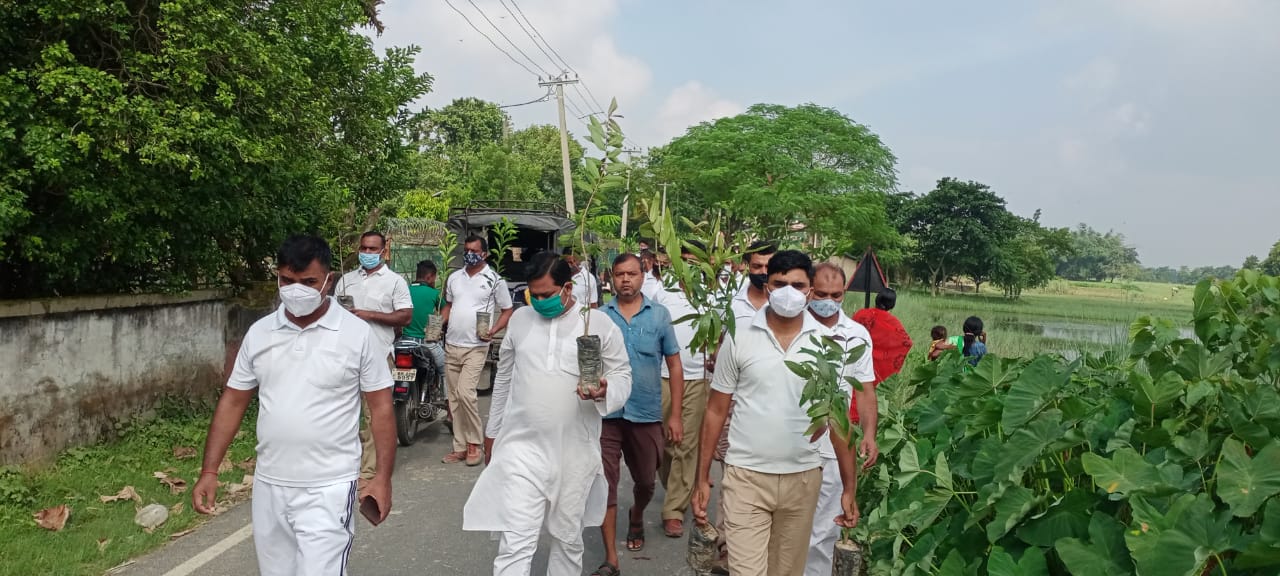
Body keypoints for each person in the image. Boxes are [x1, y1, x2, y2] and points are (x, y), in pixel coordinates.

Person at [193, 235, 395, 575]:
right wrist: (210, 471)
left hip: (329, 487)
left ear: (328, 281)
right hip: (270, 485)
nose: (296, 290)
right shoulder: (260, 334)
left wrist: (382, 478)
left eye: (308, 282)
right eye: (287, 281)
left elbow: (381, 408)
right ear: (277, 276)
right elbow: (233, 401)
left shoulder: (356, 334)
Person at [462, 252, 633, 576]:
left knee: (567, 540)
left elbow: (624, 376)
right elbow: (505, 381)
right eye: (532, 295)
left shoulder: (596, 324)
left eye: (546, 295)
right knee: (515, 540)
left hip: (575, 453)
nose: (538, 301)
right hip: (522, 450)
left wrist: (605, 389)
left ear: (568, 288)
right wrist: (493, 432)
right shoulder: (520, 321)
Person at [693, 250, 860, 576]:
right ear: (767, 287)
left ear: (809, 290)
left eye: (797, 285)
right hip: (746, 478)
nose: (788, 292)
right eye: (780, 283)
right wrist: (701, 478)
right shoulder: (739, 336)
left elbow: (838, 419)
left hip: (802, 478)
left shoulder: (828, 346)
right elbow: (716, 409)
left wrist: (849, 488)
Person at [592, 254, 685, 575]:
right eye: (619, 274)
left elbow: (674, 364)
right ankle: (610, 557)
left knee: (646, 481)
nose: (626, 280)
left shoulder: (659, 316)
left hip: (646, 412)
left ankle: (636, 516)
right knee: (605, 483)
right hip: (606, 415)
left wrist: (675, 415)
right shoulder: (598, 317)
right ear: (611, 278)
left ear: (643, 275)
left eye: (632, 273)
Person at [803, 264, 878, 576]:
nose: (828, 301)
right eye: (821, 294)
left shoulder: (856, 335)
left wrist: (870, 434)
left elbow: (865, 390)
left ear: (844, 293)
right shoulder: (794, 327)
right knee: (787, 523)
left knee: (824, 530)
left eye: (835, 295)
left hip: (835, 444)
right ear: (809, 290)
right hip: (794, 440)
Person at [338, 230, 412, 486]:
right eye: (364, 249)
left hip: (379, 356)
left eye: (373, 249)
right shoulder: (346, 281)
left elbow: (405, 316)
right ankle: (345, 463)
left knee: (374, 415)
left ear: (383, 251)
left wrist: (371, 315)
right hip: (345, 356)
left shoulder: (394, 282)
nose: (367, 254)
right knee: (344, 412)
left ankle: (369, 470)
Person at [441, 235, 514, 466]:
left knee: (465, 393)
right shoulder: (454, 277)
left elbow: (507, 310)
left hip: (476, 346)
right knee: (453, 398)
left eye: (475, 250)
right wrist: (435, 324)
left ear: (485, 253)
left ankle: (475, 443)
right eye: (467, 249)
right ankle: (460, 446)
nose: (470, 254)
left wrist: (493, 330)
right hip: (451, 344)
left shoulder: (494, 280)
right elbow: (449, 306)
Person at [656, 247, 711, 540]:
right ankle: (675, 487)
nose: (690, 266)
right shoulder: (660, 293)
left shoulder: (711, 298)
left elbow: (720, 335)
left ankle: (673, 510)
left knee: (686, 445)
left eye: (694, 262)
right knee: (663, 444)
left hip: (697, 379)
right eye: (685, 261)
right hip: (662, 377)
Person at [403, 259, 447, 383]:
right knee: (446, 371)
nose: (434, 281)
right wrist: (436, 325)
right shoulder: (434, 293)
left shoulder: (405, 290)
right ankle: (447, 400)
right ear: (429, 277)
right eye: (434, 278)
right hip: (426, 343)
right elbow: (446, 309)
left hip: (404, 342)